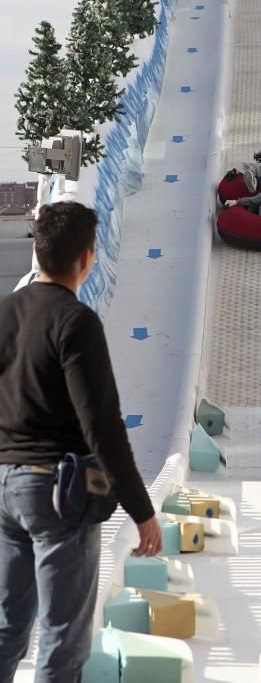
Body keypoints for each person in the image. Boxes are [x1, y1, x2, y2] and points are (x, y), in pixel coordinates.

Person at [0, 201, 162, 683]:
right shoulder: (75, 321)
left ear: (37, 249)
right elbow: (103, 427)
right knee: (63, 636)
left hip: (5, 487)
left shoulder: (6, 313)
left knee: (8, 626)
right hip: (56, 491)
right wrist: (141, 510)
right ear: (88, 257)